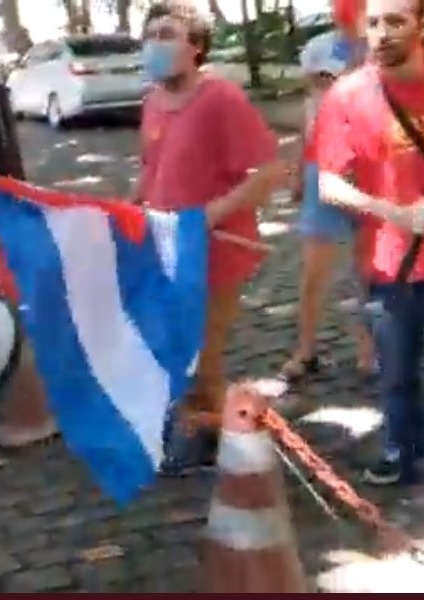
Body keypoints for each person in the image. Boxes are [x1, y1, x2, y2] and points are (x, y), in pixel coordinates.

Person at [313, 0, 424, 509]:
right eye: (373, 23)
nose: (382, 33)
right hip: (394, 265)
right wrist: (392, 211)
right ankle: (403, 449)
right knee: (396, 375)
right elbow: (329, 185)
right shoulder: (347, 96)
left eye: (395, 21)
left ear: (423, 25)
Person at [134, 0, 289, 475]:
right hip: (165, 249)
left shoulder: (221, 98)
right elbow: (150, 169)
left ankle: (232, 442)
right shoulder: (152, 101)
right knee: (178, 346)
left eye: (168, 34)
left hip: (216, 251)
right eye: (151, 34)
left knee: (203, 350)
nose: (155, 44)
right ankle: (209, 433)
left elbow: (271, 172)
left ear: (195, 47)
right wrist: (129, 214)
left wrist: (210, 215)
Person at [279, 0, 377, 382]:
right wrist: (298, 173)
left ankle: (371, 351)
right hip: (326, 165)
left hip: (374, 168)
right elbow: (312, 112)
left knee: (370, 268)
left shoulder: (390, 46)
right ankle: (305, 350)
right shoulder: (317, 49)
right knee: (315, 269)